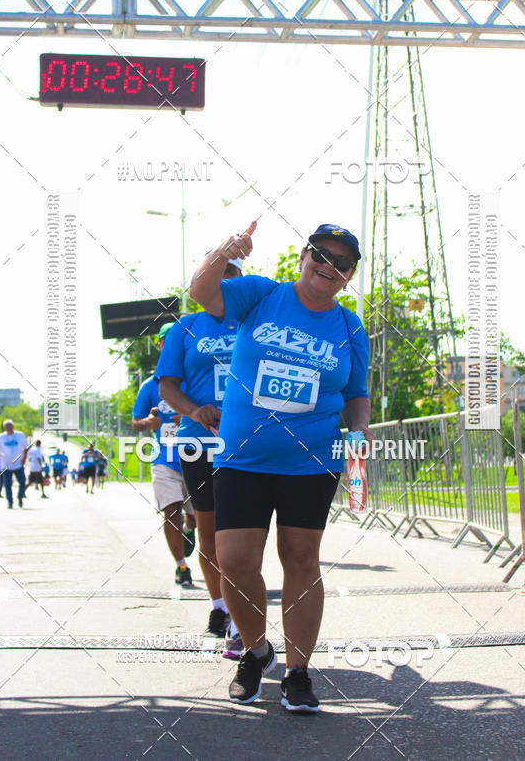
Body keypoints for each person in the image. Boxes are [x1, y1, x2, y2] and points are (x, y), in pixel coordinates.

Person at [190, 222, 373, 712]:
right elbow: (200, 291)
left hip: (311, 460)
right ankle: (255, 651)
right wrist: (225, 249)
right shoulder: (260, 294)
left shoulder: (350, 327)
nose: (327, 266)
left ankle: (297, 672)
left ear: (349, 275)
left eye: (341, 262)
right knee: (234, 561)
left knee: (300, 559)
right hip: (243, 456)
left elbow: (356, 396)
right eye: (320, 254)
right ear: (303, 255)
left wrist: (357, 439)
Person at [157, 260, 245, 656]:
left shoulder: (258, 320)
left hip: (250, 443)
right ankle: (221, 608)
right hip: (200, 443)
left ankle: (244, 617)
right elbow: (168, 386)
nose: (224, 283)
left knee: (243, 536)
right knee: (209, 533)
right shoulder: (184, 328)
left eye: (233, 276)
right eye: (217, 276)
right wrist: (195, 411)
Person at [133, 322, 196, 588]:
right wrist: (148, 422)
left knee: (198, 515)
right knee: (171, 511)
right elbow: (135, 421)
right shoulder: (150, 386)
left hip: (197, 457)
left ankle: (190, 528)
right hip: (164, 459)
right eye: (166, 342)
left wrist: (192, 414)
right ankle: (181, 566)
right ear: (159, 346)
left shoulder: (195, 377)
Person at [0, 419, 29, 509]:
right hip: (6, 465)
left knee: (22, 482)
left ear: (13, 426)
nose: (9, 427)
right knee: (7, 485)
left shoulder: (20, 435)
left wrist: (24, 458)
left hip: (18, 464)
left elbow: (26, 448)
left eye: (10, 425)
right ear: (4, 427)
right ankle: (10, 502)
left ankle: (20, 497)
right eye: (7, 426)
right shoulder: (1, 437)